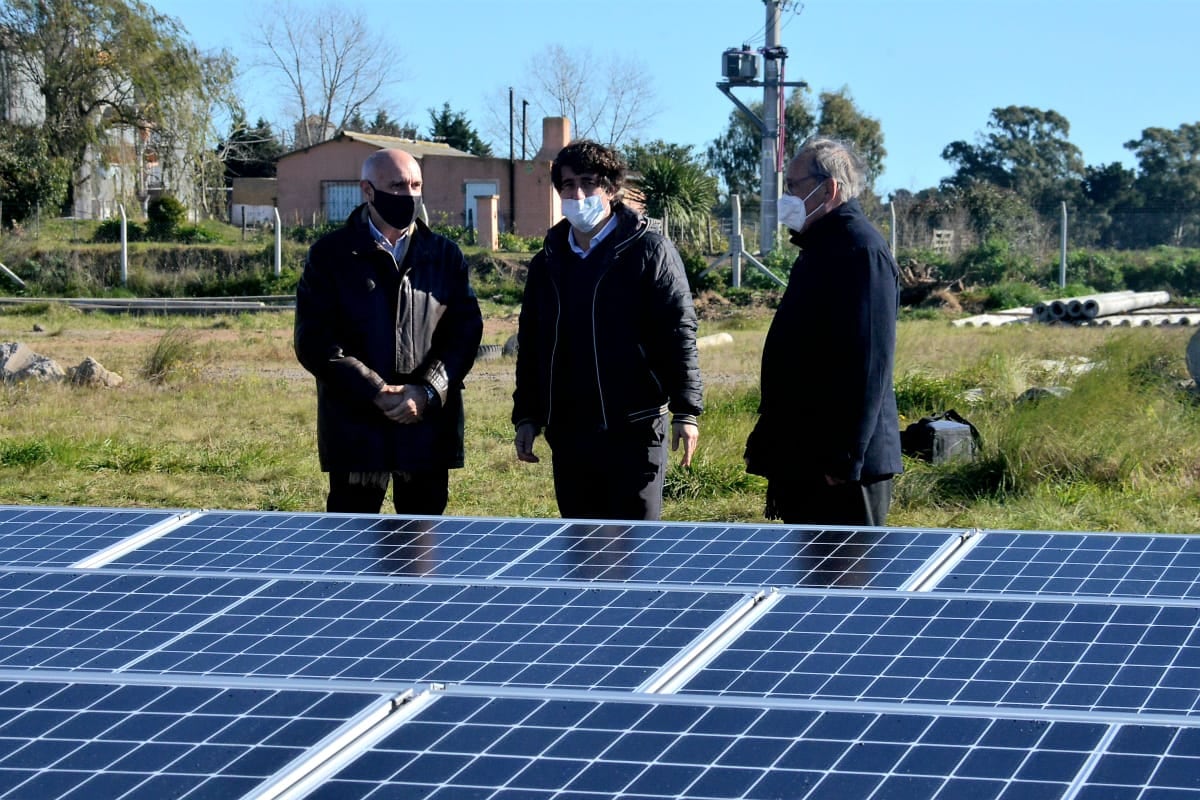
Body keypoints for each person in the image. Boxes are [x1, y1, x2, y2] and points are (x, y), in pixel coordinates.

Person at [512, 139, 703, 521]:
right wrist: (527, 415)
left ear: (611, 189)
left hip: (635, 426)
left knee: (637, 545)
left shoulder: (650, 251)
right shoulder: (547, 261)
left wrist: (687, 410)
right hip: (570, 430)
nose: (577, 193)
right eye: (568, 185)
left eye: (588, 182)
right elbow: (533, 341)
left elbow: (678, 332)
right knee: (582, 547)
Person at [295, 148, 483, 515]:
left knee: (421, 547)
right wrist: (374, 391)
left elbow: (464, 332)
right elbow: (314, 339)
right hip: (356, 429)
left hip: (426, 430)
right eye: (397, 185)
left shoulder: (444, 255)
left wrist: (428, 390)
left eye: (416, 185)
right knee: (351, 547)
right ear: (367, 190)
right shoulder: (330, 256)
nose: (409, 194)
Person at [744, 137, 902, 526]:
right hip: (805, 454)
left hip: (841, 469)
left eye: (793, 186)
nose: (786, 197)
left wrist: (846, 458)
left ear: (828, 188)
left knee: (846, 578)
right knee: (807, 580)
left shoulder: (859, 249)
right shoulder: (820, 247)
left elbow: (870, 363)